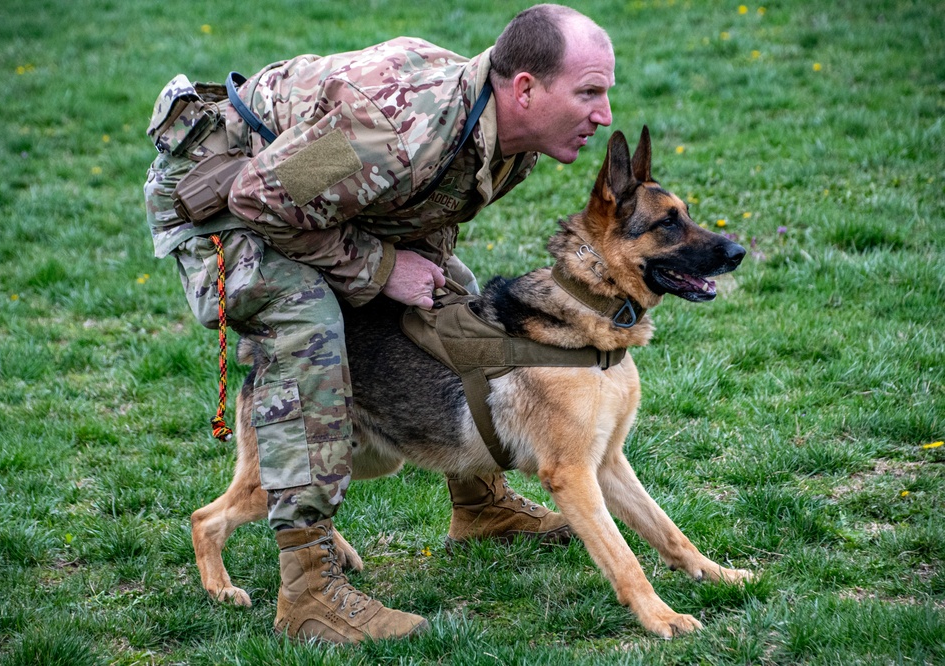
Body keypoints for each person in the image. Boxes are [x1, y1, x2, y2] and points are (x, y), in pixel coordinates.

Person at [144, 3, 615, 644]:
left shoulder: (510, 137)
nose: (604, 114)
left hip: (309, 201)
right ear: (526, 89)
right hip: (220, 199)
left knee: (460, 296)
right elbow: (259, 197)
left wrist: (417, 271)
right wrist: (382, 272)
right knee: (305, 327)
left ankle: (481, 504)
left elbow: (416, 204)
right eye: (589, 92)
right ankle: (309, 594)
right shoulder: (391, 128)